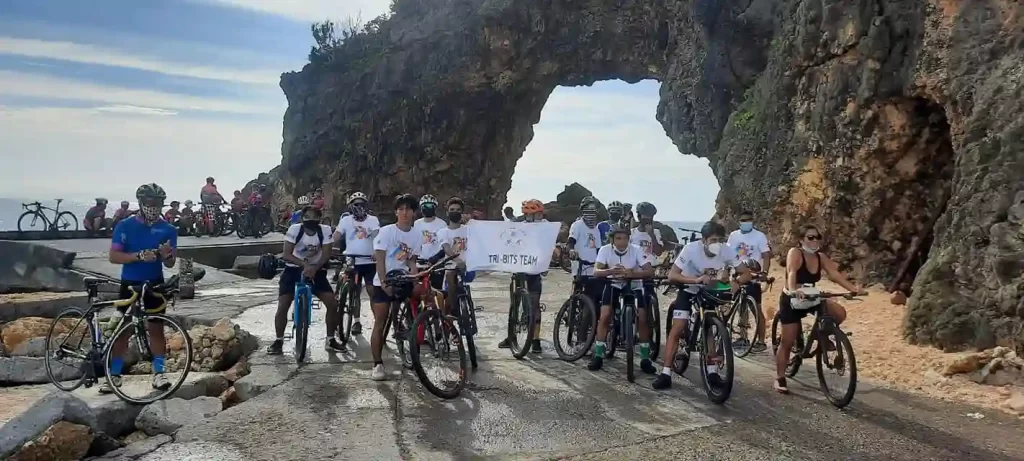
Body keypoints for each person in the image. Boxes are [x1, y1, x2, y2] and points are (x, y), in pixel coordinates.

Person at [653, 221, 751, 390]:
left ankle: (712, 372)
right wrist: (695, 280)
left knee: (710, 326)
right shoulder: (691, 249)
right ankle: (666, 372)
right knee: (678, 327)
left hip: (710, 291)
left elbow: (746, 273)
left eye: (720, 240)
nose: (717, 244)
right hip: (688, 288)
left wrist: (736, 281)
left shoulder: (726, 250)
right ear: (704, 240)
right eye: (713, 240)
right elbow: (672, 275)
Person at [101, 183, 177, 394]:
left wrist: (166, 254)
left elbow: (170, 263)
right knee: (122, 331)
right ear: (141, 204)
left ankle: (159, 373)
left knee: (156, 329)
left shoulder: (168, 229)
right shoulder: (125, 226)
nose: (153, 207)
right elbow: (114, 257)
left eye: (158, 204)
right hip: (129, 284)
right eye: (149, 203)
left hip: (154, 283)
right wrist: (139, 256)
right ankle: (114, 375)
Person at [775, 224, 864, 394]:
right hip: (792, 299)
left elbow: (835, 274)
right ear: (801, 240)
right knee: (787, 341)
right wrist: (794, 291)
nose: (814, 241)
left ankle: (820, 335)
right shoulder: (795, 253)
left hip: (811, 295)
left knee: (839, 313)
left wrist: (852, 289)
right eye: (810, 237)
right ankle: (780, 377)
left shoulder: (820, 257)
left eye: (817, 237)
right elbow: (791, 272)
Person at [266, 206, 344, 355]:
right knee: (283, 305)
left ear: (319, 220)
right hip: (293, 268)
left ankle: (330, 338)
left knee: (332, 303)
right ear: (302, 219)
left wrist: (314, 268)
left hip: (317, 269)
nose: (311, 222)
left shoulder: (325, 230)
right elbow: (286, 254)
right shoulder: (295, 230)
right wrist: (305, 265)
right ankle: (278, 340)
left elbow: (326, 254)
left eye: (315, 219)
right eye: (307, 218)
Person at [589, 228, 657, 374]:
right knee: (605, 316)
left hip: (633, 284)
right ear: (613, 240)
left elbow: (649, 271)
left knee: (642, 318)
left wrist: (632, 273)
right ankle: (599, 355)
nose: (622, 242)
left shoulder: (637, 250)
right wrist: (610, 271)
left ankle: (645, 358)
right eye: (618, 238)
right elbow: (596, 272)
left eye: (625, 238)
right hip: (612, 283)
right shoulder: (605, 250)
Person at [370, 194, 422, 380]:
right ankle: (377, 364)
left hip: (403, 279)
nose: (404, 212)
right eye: (401, 209)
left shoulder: (417, 234)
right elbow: (380, 260)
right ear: (396, 212)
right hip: (383, 281)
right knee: (380, 322)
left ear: (414, 212)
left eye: (408, 209)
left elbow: (412, 261)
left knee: (410, 313)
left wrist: (415, 282)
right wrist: (384, 284)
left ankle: (409, 344)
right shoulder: (386, 232)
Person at [497, 199, 547, 352]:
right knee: (515, 303)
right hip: (520, 268)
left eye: (539, 213)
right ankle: (511, 336)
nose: (538, 216)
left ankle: (536, 339)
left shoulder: (546, 226)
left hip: (535, 269)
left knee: (535, 305)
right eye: (534, 214)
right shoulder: (519, 226)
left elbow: (550, 242)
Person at [333, 191, 379, 336]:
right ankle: (356, 321)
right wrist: (329, 247)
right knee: (354, 291)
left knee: (373, 291)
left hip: (370, 261)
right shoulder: (346, 220)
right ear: (350, 206)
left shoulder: (372, 220)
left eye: (362, 204)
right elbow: (336, 236)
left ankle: (379, 321)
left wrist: (377, 250)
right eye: (356, 204)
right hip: (352, 260)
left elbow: (378, 236)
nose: (359, 207)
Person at [727, 210, 772, 352]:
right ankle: (743, 337)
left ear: (753, 220)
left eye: (749, 219)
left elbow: (766, 255)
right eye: (743, 220)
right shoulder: (733, 236)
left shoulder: (759, 236)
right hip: (736, 273)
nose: (746, 222)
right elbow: (728, 254)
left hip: (753, 275)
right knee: (740, 308)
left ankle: (761, 341)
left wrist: (764, 272)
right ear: (739, 221)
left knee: (756, 309)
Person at [437, 197, 476, 314]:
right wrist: (457, 260)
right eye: (452, 209)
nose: (455, 212)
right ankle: (451, 310)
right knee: (450, 277)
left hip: (468, 268)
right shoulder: (442, 232)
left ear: (462, 212)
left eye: (458, 210)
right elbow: (446, 248)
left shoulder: (470, 230)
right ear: (447, 212)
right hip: (451, 266)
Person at [566, 196, 605, 308]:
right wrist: (572, 251)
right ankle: (572, 313)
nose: (591, 214)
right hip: (580, 265)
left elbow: (598, 249)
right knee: (578, 293)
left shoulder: (596, 229)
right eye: (588, 210)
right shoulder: (577, 225)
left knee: (595, 296)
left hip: (593, 267)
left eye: (594, 211)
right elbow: (570, 242)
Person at [631, 201, 664, 315]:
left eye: (650, 219)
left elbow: (658, 252)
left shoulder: (656, 232)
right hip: (635, 272)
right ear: (639, 217)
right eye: (645, 219)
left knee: (650, 299)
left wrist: (652, 236)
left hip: (650, 272)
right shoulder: (632, 234)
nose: (648, 222)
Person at [413, 194, 446, 291]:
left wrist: (437, 257)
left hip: (437, 263)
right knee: (420, 290)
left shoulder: (442, 224)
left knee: (437, 290)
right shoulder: (417, 224)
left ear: (435, 208)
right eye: (425, 206)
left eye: (430, 206)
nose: (428, 208)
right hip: (420, 262)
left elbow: (445, 244)